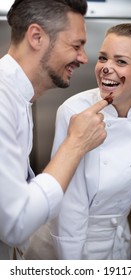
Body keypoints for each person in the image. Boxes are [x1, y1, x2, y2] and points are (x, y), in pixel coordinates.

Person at [50, 23, 131, 260]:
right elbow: (69, 206)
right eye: (103, 58)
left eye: (120, 61)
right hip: (71, 243)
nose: (106, 68)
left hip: (117, 242)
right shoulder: (74, 111)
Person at [0, 0, 109, 260]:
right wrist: (76, 144)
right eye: (76, 45)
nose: (84, 58)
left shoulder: (19, 96)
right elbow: (16, 223)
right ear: (36, 37)